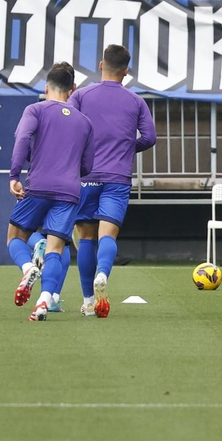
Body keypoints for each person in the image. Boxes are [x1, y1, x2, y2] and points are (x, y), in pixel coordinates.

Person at [69, 45, 157, 319]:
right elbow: (150, 137)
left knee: (86, 237)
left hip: (86, 176)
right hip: (117, 177)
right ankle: (103, 273)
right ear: (126, 71)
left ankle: (88, 301)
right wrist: (126, 148)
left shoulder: (81, 95)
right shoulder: (136, 101)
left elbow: (68, 129)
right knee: (108, 234)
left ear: (100, 64)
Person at [7, 63, 94, 322]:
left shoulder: (35, 110)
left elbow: (22, 139)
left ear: (46, 87)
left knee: (15, 237)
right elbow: (87, 166)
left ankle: (28, 268)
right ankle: (45, 301)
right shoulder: (85, 122)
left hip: (39, 185)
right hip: (69, 191)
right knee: (55, 249)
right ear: (73, 89)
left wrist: (14, 175)